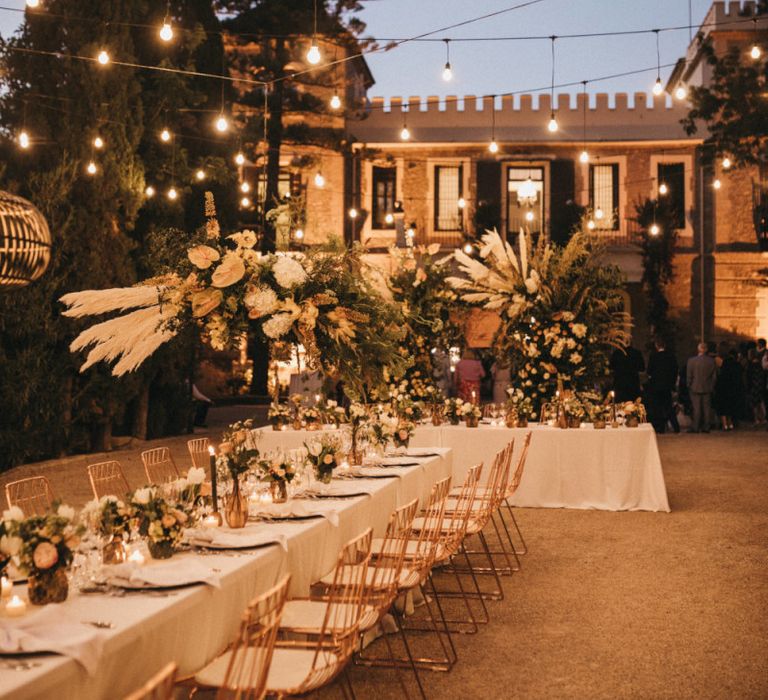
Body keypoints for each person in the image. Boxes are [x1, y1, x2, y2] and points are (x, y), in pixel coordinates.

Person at [646, 337, 679, 434]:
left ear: (656, 346)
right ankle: (675, 426)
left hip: (656, 385)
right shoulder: (671, 356)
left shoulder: (653, 356)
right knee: (668, 406)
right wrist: (672, 383)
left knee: (657, 407)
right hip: (667, 385)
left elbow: (649, 371)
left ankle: (660, 428)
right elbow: (675, 370)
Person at [686, 342, 717, 433]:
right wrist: (712, 386)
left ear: (698, 349)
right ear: (706, 349)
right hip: (707, 387)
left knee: (696, 408)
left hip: (695, 386)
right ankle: (706, 427)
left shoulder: (691, 361)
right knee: (706, 408)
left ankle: (696, 427)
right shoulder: (711, 361)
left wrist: (689, 385)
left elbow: (689, 375)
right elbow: (714, 376)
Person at [713, 344, 742, 431]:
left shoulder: (723, 366)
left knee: (723, 408)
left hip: (723, 389)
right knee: (730, 407)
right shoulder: (737, 365)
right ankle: (730, 424)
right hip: (733, 389)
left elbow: (719, 378)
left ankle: (725, 424)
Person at [746, 348, 766, 424]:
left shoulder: (751, 365)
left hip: (753, 386)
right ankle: (763, 418)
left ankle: (756, 418)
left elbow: (749, 377)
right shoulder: (759, 365)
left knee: (754, 403)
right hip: (759, 385)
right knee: (760, 402)